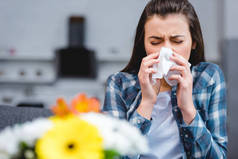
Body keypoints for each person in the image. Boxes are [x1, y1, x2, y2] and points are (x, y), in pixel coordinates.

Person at [103, 0, 227, 158]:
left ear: (194, 42)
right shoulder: (118, 85)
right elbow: (114, 155)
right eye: (155, 42)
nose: (166, 50)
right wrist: (147, 102)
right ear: (144, 44)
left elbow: (219, 156)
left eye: (177, 41)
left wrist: (188, 110)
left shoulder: (209, 77)